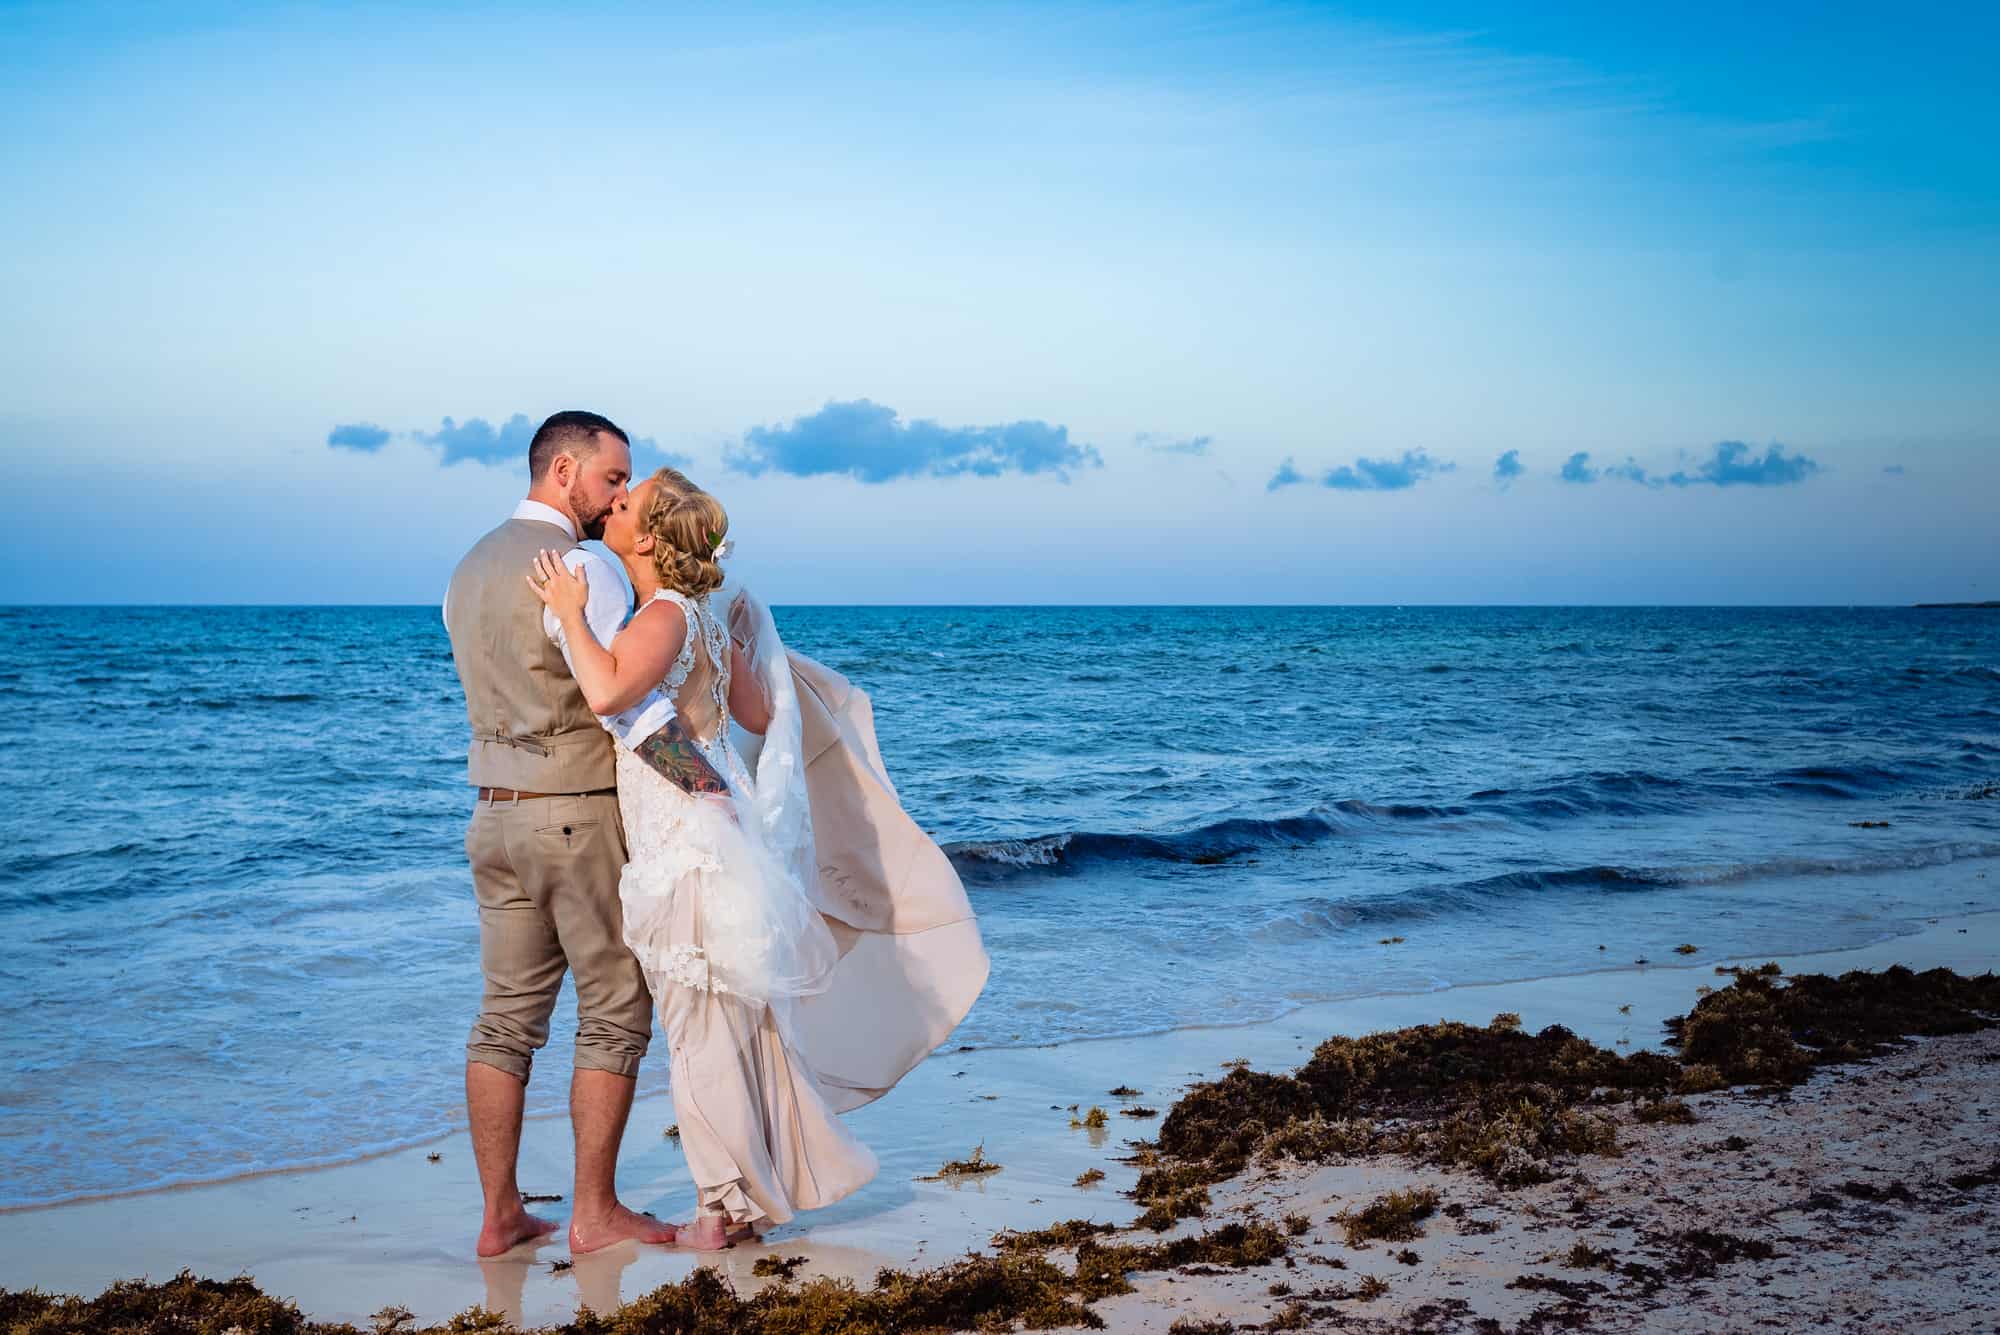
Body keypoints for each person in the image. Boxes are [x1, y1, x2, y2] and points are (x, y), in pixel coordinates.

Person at [528, 467, 879, 1248]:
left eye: (625, 502)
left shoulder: (661, 615)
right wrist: (743, 642)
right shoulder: (705, 620)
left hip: (683, 839)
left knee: (696, 1028)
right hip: (722, 828)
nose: (612, 506)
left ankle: (718, 1210)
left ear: (648, 538)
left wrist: (571, 615)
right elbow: (754, 710)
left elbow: (612, 692)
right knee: (732, 1017)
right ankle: (746, 1197)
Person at [442, 410, 677, 1257]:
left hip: (491, 814)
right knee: (615, 1008)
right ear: (567, 470)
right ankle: (596, 1211)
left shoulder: (464, 570)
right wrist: (712, 788)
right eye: (614, 479)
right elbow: (626, 700)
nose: (620, 497)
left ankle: (500, 1216)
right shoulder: (580, 568)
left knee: (503, 1018)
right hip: (575, 811)